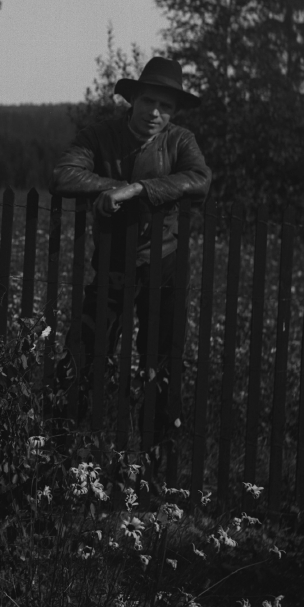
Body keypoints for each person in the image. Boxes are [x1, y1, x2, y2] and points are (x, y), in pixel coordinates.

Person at [50, 57, 211, 439]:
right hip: (112, 262)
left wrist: (140, 189)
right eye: (149, 102)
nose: (155, 113)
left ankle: (155, 454)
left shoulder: (181, 141)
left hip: (165, 262)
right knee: (85, 351)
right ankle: (64, 442)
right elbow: (63, 174)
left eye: (166, 106)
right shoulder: (100, 135)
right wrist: (110, 186)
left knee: (163, 360)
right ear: (133, 100)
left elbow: (200, 179)